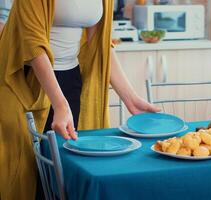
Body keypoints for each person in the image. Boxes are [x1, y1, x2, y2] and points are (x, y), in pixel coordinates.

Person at [0, 0, 159, 199]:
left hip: (70, 80)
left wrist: (131, 98)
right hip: (26, 83)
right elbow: (32, 44)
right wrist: (60, 103)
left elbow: (99, 44)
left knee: (61, 172)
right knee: (27, 172)